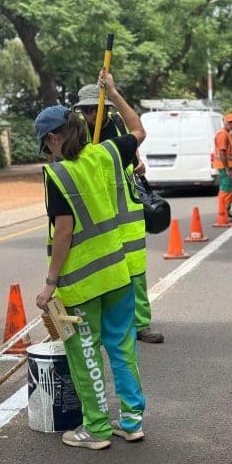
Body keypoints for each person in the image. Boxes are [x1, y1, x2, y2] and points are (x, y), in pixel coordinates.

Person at [34, 69, 146, 450]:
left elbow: (63, 232)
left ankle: (96, 430)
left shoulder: (58, 175)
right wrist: (114, 93)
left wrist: (50, 284)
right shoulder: (108, 153)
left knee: (85, 354)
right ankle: (131, 421)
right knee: (122, 346)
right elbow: (139, 130)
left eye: (45, 145)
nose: (47, 152)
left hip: (81, 282)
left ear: (53, 138)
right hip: (117, 272)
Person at [73, 84, 163, 345]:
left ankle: (140, 324)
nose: (93, 114)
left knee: (135, 271)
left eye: (97, 108)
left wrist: (138, 163)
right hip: (97, 214)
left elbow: (136, 135)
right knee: (101, 273)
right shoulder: (76, 132)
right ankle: (104, 327)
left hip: (126, 213)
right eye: (88, 110)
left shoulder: (117, 125)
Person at [214, 113, 232, 221]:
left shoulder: (227, 133)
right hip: (225, 167)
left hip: (230, 166)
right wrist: (227, 169)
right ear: (224, 122)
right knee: (225, 190)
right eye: (229, 122)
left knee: (230, 189)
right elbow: (222, 152)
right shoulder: (222, 134)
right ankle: (223, 214)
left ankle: (226, 212)